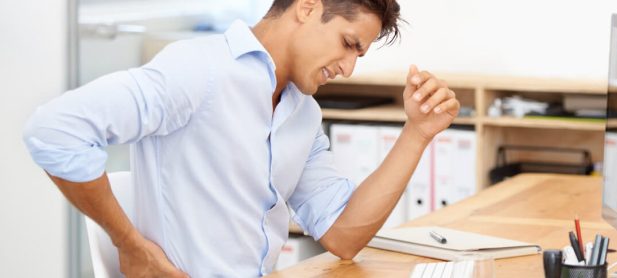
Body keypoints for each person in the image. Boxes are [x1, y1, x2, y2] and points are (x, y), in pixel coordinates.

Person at [23, 0, 459, 276]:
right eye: (348, 44)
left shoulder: (302, 113)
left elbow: (343, 236)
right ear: (306, 8)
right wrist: (129, 244)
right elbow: (55, 130)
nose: (348, 68)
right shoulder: (199, 70)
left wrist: (417, 132)